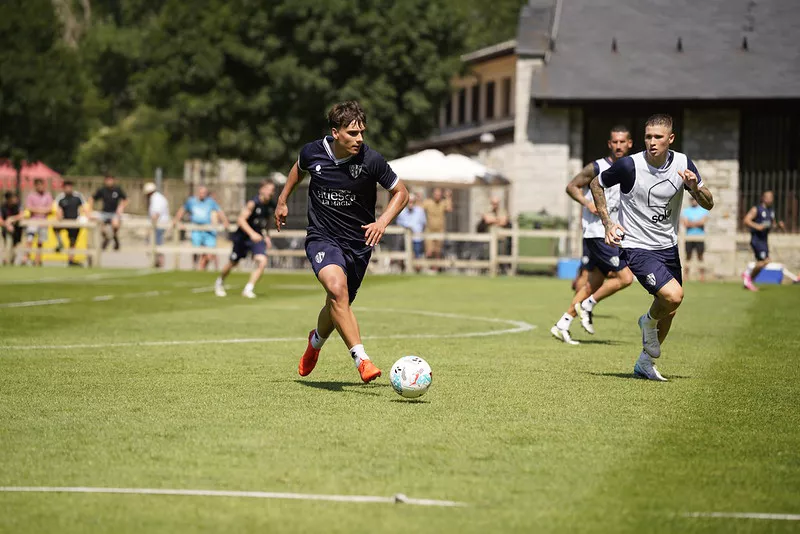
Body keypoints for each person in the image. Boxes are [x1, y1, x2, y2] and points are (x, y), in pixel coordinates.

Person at [274, 100, 409, 383]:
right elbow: (298, 169)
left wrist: (382, 221)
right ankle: (363, 360)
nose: (359, 139)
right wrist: (283, 199)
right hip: (322, 237)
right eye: (352, 133)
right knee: (337, 290)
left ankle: (315, 342)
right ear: (336, 133)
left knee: (338, 302)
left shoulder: (371, 161)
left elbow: (402, 193)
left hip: (359, 245)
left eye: (361, 133)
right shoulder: (313, 152)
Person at [590, 113, 714, 381]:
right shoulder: (629, 165)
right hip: (636, 246)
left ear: (670, 139)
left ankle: (644, 363)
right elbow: (596, 183)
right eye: (648, 137)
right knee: (673, 296)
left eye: (658, 137)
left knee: (671, 307)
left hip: (668, 246)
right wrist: (608, 224)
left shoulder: (683, 164)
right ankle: (646, 321)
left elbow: (709, 203)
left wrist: (694, 188)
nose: (652, 142)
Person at [551, 126, 635, 344]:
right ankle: (587, 305)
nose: (618, 145)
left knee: (594, 282)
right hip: (597, 233)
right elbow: (572, 187)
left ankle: (563, 324)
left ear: (630, 144)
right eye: (614, 142)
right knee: (626, 278)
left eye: (622, 141)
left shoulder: (631, 168)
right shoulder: (597, 167)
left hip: (609, 232)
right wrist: (587, 202)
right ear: (610, 144)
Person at [214, 181, 276, 298]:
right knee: (233, 262)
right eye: (268, 189)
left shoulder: (270, 205)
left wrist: (267, 236)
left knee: (262, 261)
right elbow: (241, 220)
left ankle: (248, 289)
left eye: (272, 190)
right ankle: (220, 281)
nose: (270, 192)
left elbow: (268, 221)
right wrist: (251, 233)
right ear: (261, 190)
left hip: (257, 237)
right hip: (243, 237)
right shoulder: (253, 203)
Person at [173, 185, 229, 270]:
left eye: (204, 193)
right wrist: (177, 220)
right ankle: (195, 266)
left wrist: (225, 221)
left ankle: (205, 266)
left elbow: (219, 211)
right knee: (196, 250)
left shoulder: (210, 202)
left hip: (208, 229)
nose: (202, 194)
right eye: (201, 192)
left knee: (210, 251)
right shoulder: (191, 201)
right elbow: (182, 210)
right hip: (196, 229)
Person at [741, 191, 788, 290]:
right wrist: (757, 226)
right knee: (765, 261)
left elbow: (772, 225)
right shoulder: (756, 209)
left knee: (764, 262)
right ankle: (747, 274)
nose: (770, 199)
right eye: (767, 197)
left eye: (771, 197)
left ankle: (748, 282)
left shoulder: (771, 211)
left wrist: (779, 226)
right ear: (763, 198)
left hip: (764, 240)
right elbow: (746, 220)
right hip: (757, 239)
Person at [87, 174, 127, 250]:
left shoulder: (117, 190)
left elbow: (125, 199)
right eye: (108, 180)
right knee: (102, 229)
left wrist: (121, 207)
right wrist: (90, 209)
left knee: (115, 225)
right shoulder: (102, 190)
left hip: (114, 212)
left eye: (111, 180)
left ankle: (114, 238)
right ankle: (107, 238)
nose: (109, 182)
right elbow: (92, 199)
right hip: (104, 212)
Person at [23, 179, 54, 266]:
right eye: (38, 185)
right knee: (30, 239)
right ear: (35, 186)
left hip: (43, 222)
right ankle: (26, 257)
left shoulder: (48, 195)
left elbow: (50, 208)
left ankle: (37, 260)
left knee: (40, 242)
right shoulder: (31, 196)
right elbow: (29, 208)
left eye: (42, 185)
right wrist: (42, 210)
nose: (40, 187)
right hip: (33, 221)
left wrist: (38, 210)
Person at [54, 181, 86, 266]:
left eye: (69, 187)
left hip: (75, 222)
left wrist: (84, 217)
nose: (68, 189)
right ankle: (60, 243)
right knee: (55, 228)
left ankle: (71, 260)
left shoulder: (78, 196)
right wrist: (59, 217)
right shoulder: (60, 198)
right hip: (64, 221)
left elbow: (83, 208)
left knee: (72, 241)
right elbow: (58, 210)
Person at [681, 196, 709, 281]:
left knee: (700, 256)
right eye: (692, 199)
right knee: (688, 256)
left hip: (700, 237)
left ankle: (702, 276)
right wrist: (697, 223)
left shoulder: (704, 210)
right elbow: (685, 223)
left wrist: (691, 223)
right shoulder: (686, 211)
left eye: (695, 199)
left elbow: (703, 222)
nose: (693, 201)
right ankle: (685, 276)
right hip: (689, 237)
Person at [422, 187, 452, 264]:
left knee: (438, 251)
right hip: (429, 230)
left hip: (440, 230)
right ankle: (428, 266)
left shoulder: (443, 202)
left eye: (439, 195)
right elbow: (419, 208)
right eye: (436, 194)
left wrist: (448, 197)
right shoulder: (428, 202)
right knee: (429, 251)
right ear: (433, 194)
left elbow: (449, 209)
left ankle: (436, 267)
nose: (437, 196)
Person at [144, 183, 170, 268]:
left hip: (158, 226)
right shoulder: (156, 198)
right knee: (156, 244)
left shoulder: (156, 198)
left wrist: (150, 228)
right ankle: (157, 263)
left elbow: (156, 214)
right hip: (158, 225)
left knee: (155, 245)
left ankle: (159, 264)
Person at [396, 192, 426, 263]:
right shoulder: (402, 211)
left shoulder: (420, 211)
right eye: (409, 201)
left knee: (417, 258)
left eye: (412, 201)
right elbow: (399, 223)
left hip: (417, 238)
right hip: (404, 238)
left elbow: (424, 224)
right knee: (403, 258)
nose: (411, 203)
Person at [2, 192, 22, 265]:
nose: (15, 199)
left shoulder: (17, 205)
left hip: (17, 230)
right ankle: (6, 259)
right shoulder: (3, 207)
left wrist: (12, 219)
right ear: (8, 199)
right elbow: (0, 219)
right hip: (6, 229)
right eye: (13, 198)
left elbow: (22, 215)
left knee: (15, 245)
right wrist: (7, 225)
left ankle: (12, 260)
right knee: (7, 243)